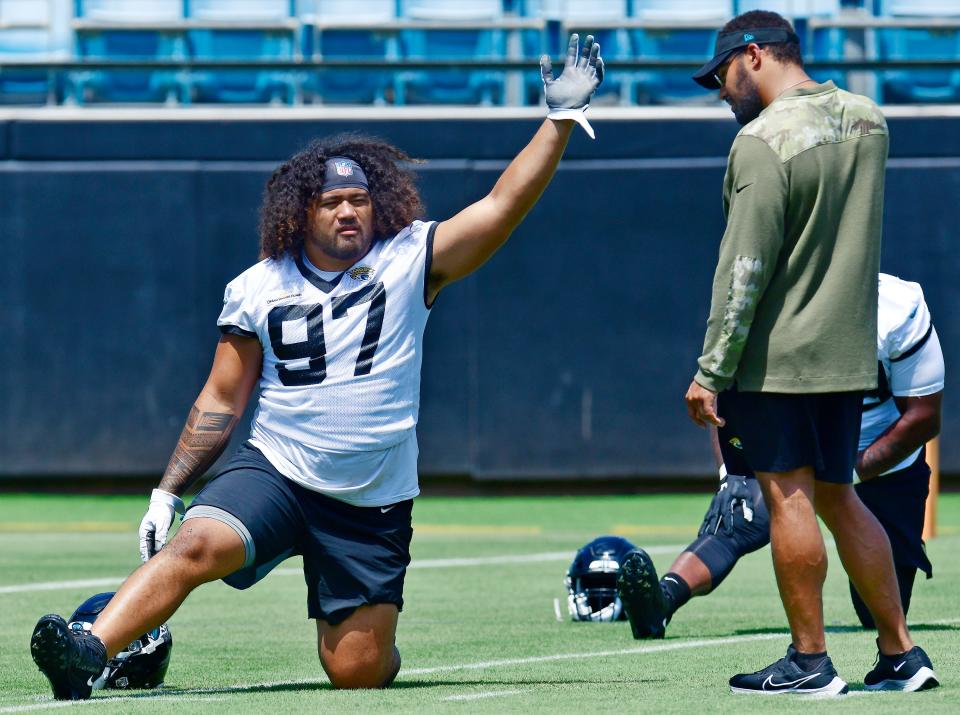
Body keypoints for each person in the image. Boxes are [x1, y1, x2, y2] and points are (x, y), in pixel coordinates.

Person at [29, 34, 604, 701]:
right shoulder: (258, 286)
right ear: (302, 211)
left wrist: (558, 121)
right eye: (332, 202)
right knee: (193, 545)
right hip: (279, 469)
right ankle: (87, 651)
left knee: (355, 671)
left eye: (359, 198)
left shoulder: (410, 258)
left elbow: (501, 207)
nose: (348, 209)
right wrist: (169, 488)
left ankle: (372, 637)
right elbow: (221, 397)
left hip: (371, 497)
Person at [677, 9, 937, 695]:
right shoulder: (868, 120)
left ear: (755, 55)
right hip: (847, 351)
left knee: (788, 496)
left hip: (779, 355)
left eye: (725, 75)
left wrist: (711, 371)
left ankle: (810, 659)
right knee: (841, 496)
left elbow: (745, 266)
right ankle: (902, 653)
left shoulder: (762, 141)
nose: (723, 91)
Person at [618, 272, 943, 642]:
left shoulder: (899, 309)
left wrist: (843, 476)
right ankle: (661, 601)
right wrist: (732, 472)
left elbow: (923, 416)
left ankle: (892, 645)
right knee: (741, 514)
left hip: (880, 455)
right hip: (800, 433)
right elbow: (727, 394)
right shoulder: (771, 304)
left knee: (877, 611)